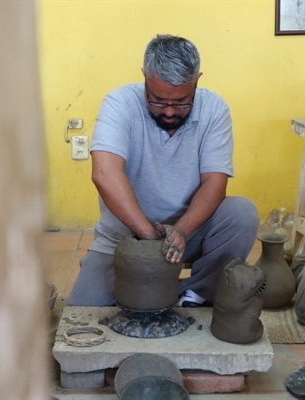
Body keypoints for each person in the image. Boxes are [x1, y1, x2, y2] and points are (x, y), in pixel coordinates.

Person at [67, 34, 259, 307]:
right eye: (157, 100)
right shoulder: (119, 103)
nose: (169, 111)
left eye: (181, 102)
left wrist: (180, 232)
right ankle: (155, 288)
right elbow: (104, 174)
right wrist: (147, 236)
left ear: (198, 79)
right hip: (125, 238)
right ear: (145, 75)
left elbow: (215, 183)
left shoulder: (214, 109)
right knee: (82, 314)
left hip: (189, 232)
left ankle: (196, 292)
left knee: (241, 213)